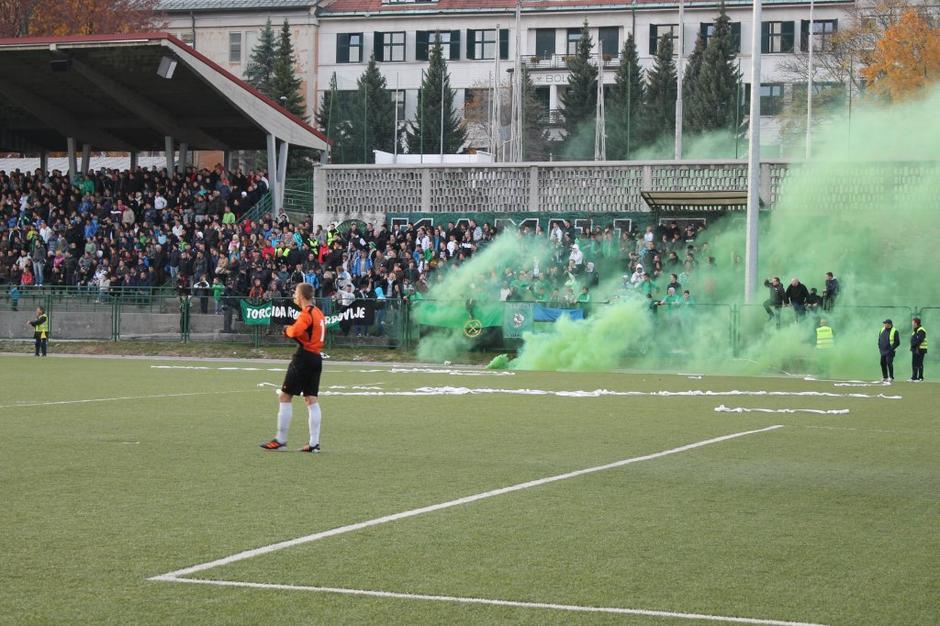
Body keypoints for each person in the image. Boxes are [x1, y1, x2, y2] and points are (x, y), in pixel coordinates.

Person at [261, 282, 326, 452]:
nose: (294, 296)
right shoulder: (319, 312)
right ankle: (314, 443)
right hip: (316, 357)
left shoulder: (307, 313)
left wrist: (286, 330)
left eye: (296, 293)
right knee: (311, 399)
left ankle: (281, 440)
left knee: (285, 396)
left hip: (303, 357)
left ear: (303, 296)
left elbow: (296, 331)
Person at [878, 319, 900, 383]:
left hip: (890, 351)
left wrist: (891, 349)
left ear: (889, 324)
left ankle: (891, 377)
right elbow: (879, 339)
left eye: (886, 323)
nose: (884, 324)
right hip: (883, 350)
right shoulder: (882, 330)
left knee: (889, 363)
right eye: (884, 323)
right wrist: (879, 347)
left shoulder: (895, 331)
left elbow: (897, 342)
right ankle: (885, 377)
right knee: (882, 363)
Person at [909, 317, 927, 382]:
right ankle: (914, 377)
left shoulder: (921, 330)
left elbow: (920, 340)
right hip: (915, 349)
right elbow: (913, 340)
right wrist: (913, 346)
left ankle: (920, 377)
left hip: (920, 349)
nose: (912, 324)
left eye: (913, 322)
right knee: (914, 363)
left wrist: (913, 345)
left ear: (916, 323)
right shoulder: (915, 330)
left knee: (919, 363)